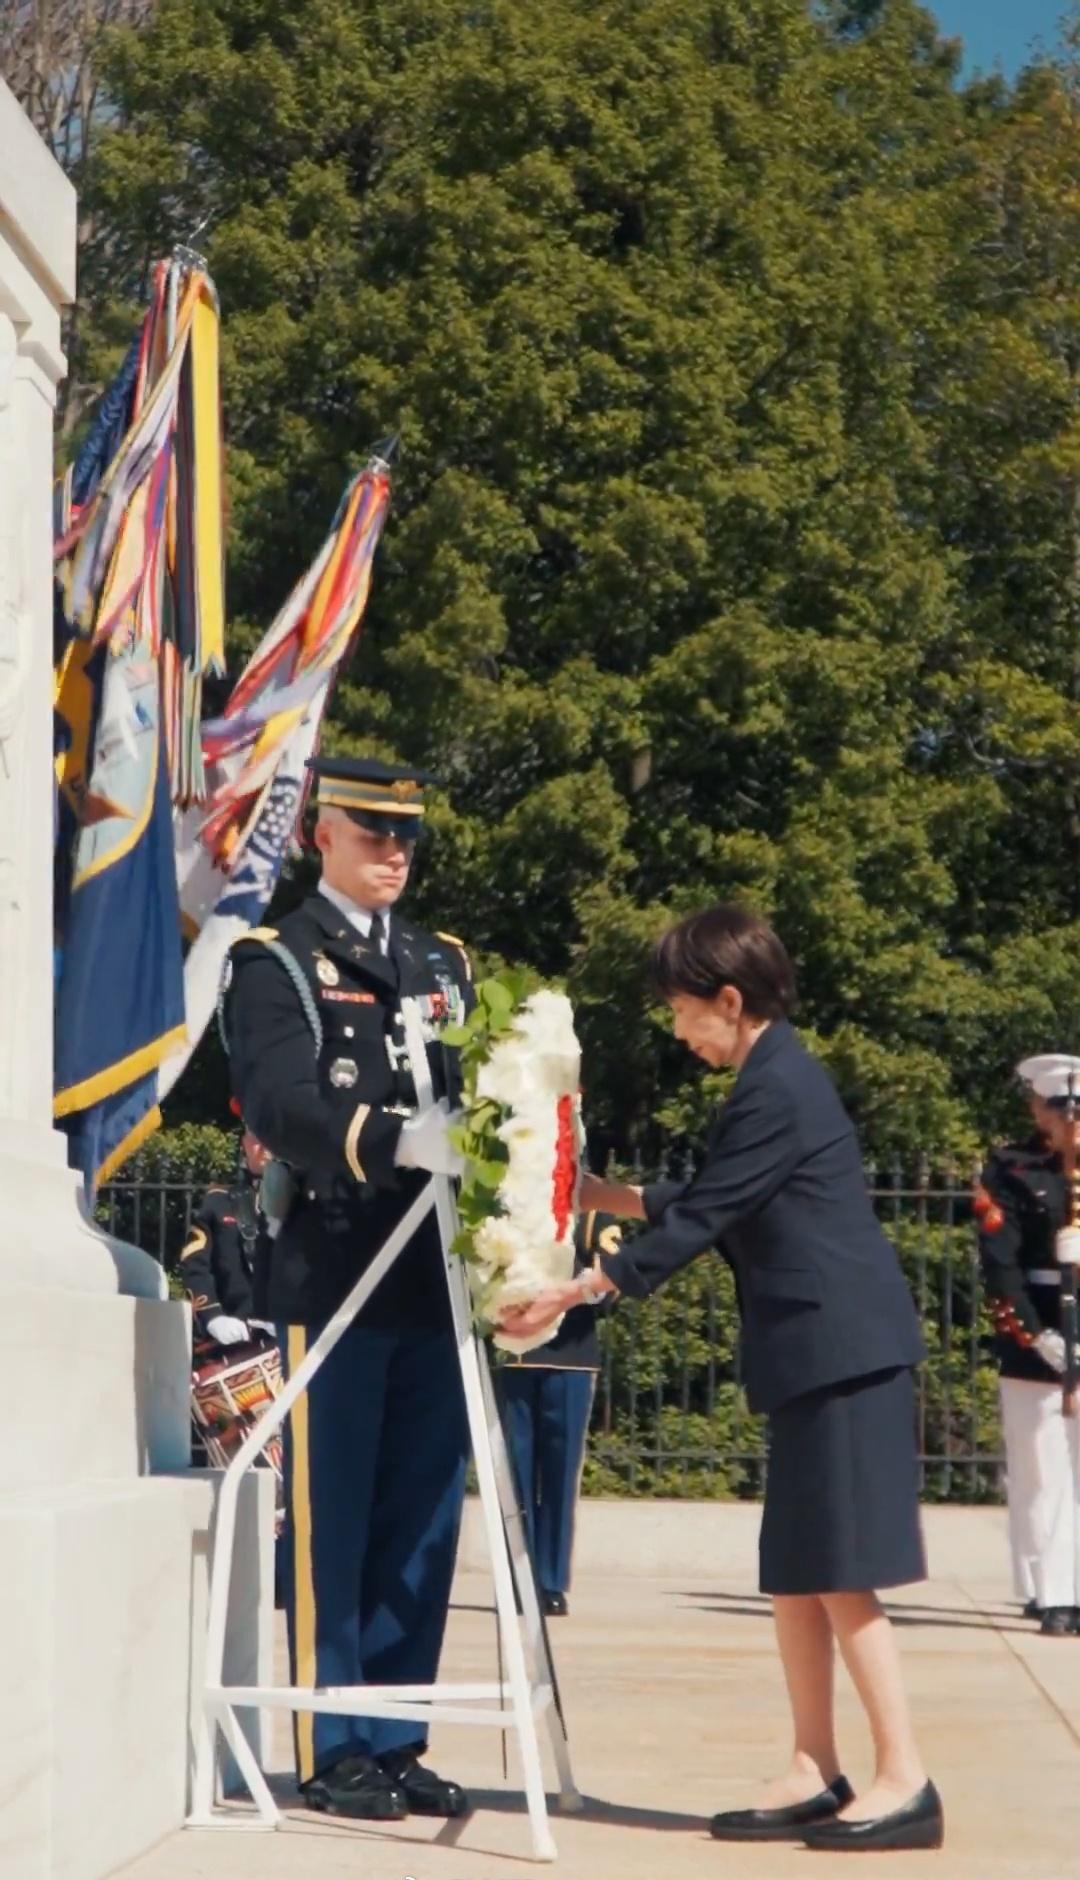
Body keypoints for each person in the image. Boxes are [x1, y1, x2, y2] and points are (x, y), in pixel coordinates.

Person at [499, 903, 943, 1854]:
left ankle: (904, 1777)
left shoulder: (777, 1086)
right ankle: (814, 1764)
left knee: (842, 1571)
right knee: (795, 1573)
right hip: (811, 1354)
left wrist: (582, 1287)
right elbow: (706, 1192)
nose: (676, 1029)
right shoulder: (769, 1081)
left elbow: (707, 1215)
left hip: (844, 1354)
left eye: (681, 1010)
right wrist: (591, 1195)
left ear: (729, 1000)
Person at [223, 754, 473, 1824]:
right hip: (334, 1267)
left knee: (421, 1516)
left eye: (406, 836)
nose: (394, 853)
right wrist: (389, 1137)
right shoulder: (274, 957)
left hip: (433, 1271)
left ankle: (397, 1730)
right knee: (335, 1517)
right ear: (323, 833)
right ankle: (335, 1742)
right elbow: (280, 1102)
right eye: (373, 833)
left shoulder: (442, 958)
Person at [975, 1054, 1080, 1638]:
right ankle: (1050, 1589)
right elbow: (1001, 1265)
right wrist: (1037, 1337)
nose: (1072, 1121)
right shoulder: (1013, 1170)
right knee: (1041, 1466)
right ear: (1039, 1110)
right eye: (1061, 1109)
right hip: (1036, 1330)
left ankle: (1066, 1587)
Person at [496, 1210, 622, 1616]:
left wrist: (579, 1289)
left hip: (571, 1353)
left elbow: (613, 1276)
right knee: (515, 1473)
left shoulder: (590, 1218)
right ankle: (521, 1577)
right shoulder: (503, 1206)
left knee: (560, 1474)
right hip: (514, 1352)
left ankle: (550, 1580)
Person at [179, 1116, 274, 1347]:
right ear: (244, 1143)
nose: (263, 1147)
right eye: (256, 1138)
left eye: (270, 1137)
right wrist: (213, 1316)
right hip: (236, 1338)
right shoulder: (218, 1203)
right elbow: (195, 1265)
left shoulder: (305, 1203)